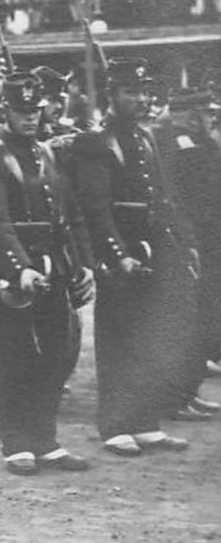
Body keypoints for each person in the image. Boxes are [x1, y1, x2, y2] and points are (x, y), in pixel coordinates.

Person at [73, 59, 200, 456]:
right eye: (132, 92)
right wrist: (117, 255)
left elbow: (162, 197)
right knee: (118, 339)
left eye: (145, 92)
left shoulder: (144, 139)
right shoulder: (95, 141)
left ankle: (145, 421)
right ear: (112, 95)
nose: (141, 99)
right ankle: (115, 424)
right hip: (120, 253)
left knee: (150, 336)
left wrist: (184, 242)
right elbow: (96, 207)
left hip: (153, 249)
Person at [0, 75, 96, 473]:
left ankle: (45, 437)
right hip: (13, 268)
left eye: (33, 111)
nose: (28, 118)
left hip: (54, 262)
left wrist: (84, 263)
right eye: (20, 111)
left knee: (59, 351)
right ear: (4, 110)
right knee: (17, 353)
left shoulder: (47, 152)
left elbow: (70, 215)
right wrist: (19, 267)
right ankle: (17, 441)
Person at [150, 86, 221, 420]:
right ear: (193, 116)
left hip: (206, 243)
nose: (212, 119)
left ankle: (186, 393)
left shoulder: (195, 144)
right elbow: (193, 201)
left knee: (204, 319)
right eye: (209, 113)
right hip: (197, 244)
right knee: (193, 321)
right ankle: (176, 397)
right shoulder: (183, 146)